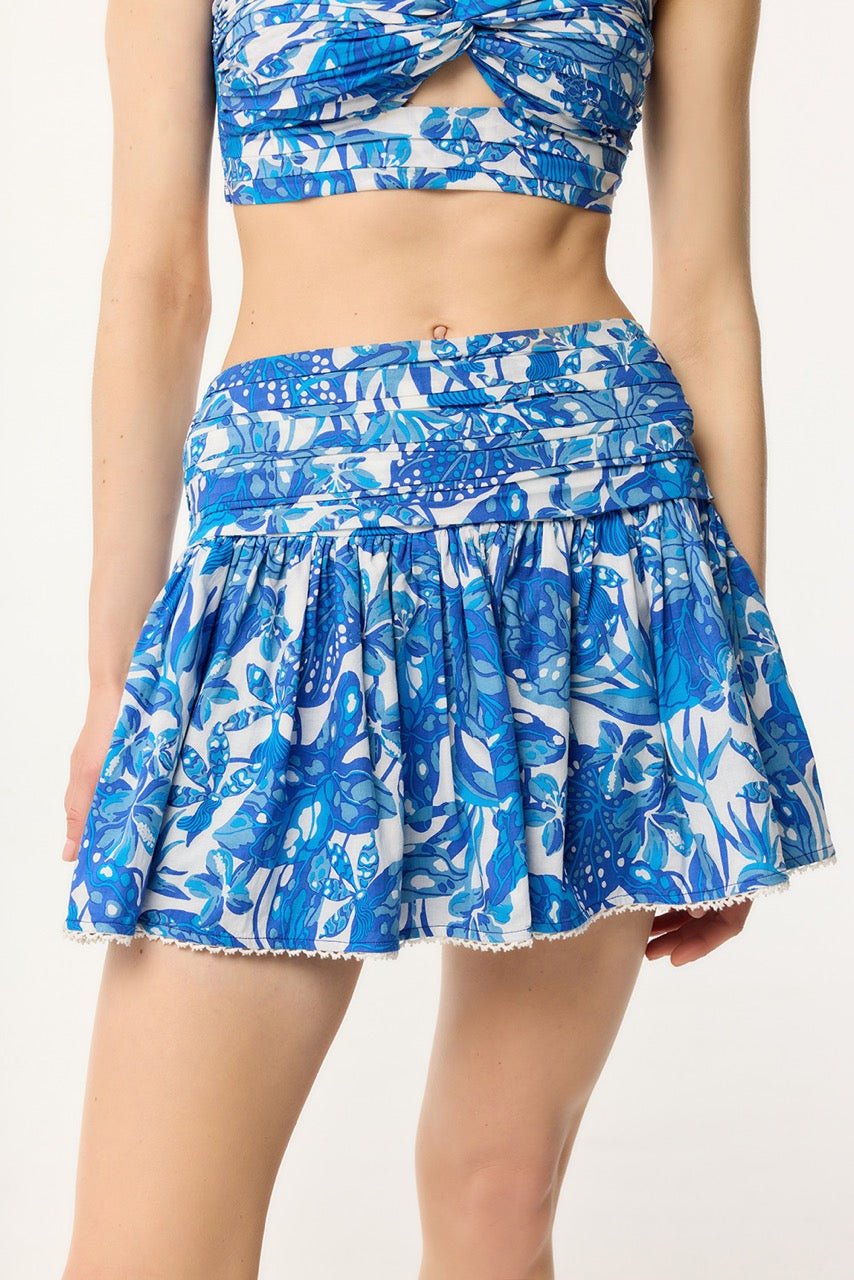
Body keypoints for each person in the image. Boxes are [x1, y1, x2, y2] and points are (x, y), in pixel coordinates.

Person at [60, 1, 836, 1276]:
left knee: (498, 1188)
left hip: (596, 557)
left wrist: (720, 722)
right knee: (148, 1248)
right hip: (290, 565)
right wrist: (111, 680)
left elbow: (703, 298)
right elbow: (157, 283)